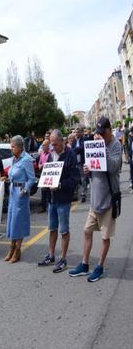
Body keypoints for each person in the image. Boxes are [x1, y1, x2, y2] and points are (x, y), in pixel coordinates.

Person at [69, 117, 122, 282]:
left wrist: (103, 149)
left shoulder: (115, 145)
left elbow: (113, 167)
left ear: (109, 129)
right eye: (98, 133)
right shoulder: (95, 143)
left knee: (105, 237)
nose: (100, 136)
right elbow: (94, 169)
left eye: (103, 133)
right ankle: (84, 264)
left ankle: (99, 266)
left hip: (108, 199)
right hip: (95, 199)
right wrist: (87, 169)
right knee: (87, 231)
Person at [36, 130, 80, 273]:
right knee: (52, 228)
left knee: (64, 230)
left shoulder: (70, 155)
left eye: (55, 144)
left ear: (62, 141)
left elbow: (75, 178)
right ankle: (51, 255)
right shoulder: (50, 156)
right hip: (52, 199)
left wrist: (60, 185)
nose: (52, 147)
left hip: (63, 199)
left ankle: (63, 258)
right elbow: (47, 173)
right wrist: (44, 182)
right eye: (51, 144)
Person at [5, 135, 36, 264]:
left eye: (12, 147)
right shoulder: (14, 159)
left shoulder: (26, 159)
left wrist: (26, 189)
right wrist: (6, 179)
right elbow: (13, 175)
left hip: (21, 193)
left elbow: (32, 178)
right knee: (12, 220)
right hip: (13, 191)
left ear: (19, 147)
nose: (11, 149)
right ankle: (11, 248)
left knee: (19, 222)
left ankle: (17, 250)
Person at [36, 139, 52, 213]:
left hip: (48, 174)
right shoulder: (42, 153)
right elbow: (39, 162)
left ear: (48, 146)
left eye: (44, 145)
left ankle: (50, 206)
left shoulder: (51, 154)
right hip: (43, 173)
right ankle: (43, 207)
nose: (43, 146)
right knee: (43, 191)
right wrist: (39, 164)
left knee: (49, 191)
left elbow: (50, 164)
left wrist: (42, 165)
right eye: (42, 145)